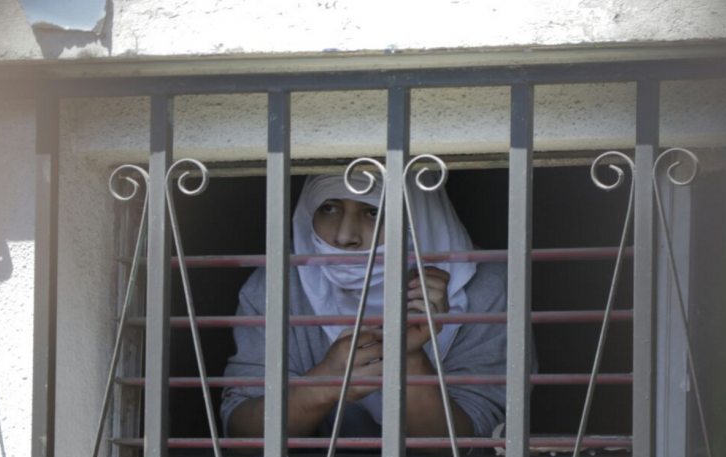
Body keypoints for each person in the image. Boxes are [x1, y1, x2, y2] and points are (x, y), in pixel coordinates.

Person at [221, 172, 527, 440]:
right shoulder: (279, 285)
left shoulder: (484, 286)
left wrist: (409, 357)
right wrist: (325, 383)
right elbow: (242, 429)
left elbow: (477, 443)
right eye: (329, 208)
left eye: (372, 211)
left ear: (417, 218)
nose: (344, 237)